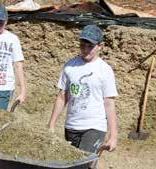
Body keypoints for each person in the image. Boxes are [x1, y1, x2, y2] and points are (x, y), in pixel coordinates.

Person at [48, 25, 118, 158]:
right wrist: (51, 124)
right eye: (82, 45)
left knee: (84, 162)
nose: (85, 50)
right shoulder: (70, 66)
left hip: (94, 126)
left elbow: (109, 103)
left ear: (100, 46)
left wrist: (113, 135)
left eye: (90, 46)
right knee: (72, 163)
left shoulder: (105, 70)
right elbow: (62, 97)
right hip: (72, 126)